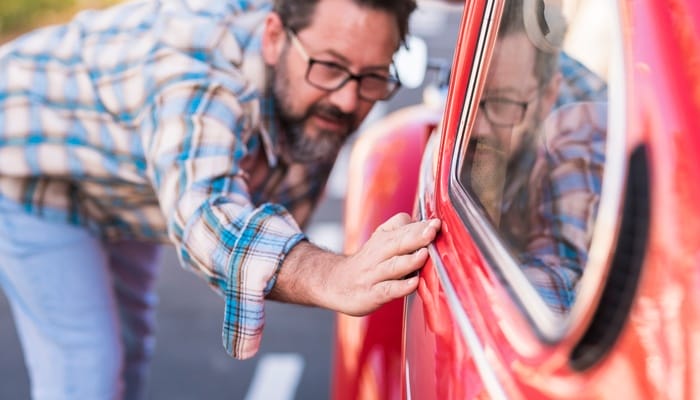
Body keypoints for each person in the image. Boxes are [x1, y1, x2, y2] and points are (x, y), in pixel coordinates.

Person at [0, 0, 442, 398]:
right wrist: (334, 274)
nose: (348, 101)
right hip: (31, 162)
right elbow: (206, 217)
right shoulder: (201, 77)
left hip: (121, 180)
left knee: (130, 349)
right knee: (87, 367)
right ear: (273, 37)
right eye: (329, 67)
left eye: (372, 76)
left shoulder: (310, 63)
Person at [461, 0, 607, 313]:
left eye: (503, 104)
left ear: (547, 98)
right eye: (468, 99)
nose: (477, 126)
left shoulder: (577, 135)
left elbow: (560, 275)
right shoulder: (517, 72)